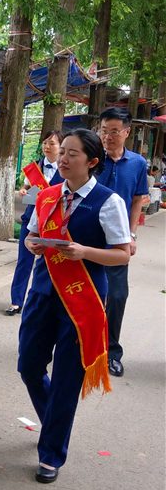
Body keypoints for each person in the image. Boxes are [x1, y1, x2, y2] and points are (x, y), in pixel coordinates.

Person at [18, 129, 130, 484]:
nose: (63, 159)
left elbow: (122, 254)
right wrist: (34, 244)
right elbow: (31, 234)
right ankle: (54, 422)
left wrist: (84, 252)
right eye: (62, 151)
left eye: (72, 154)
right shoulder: (47, 195)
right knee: (29, 366)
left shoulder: (108, 202)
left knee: (67, 379)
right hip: (42, 293)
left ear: (92, 161)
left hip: (82, 301)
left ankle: (51, 454)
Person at [93, 107, 148, 377]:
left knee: (116, 296)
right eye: (104, 130)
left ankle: (111, 352)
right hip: (88, 238)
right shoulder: (91, 158)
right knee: (86, 293)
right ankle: (78, 346)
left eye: (114, 131)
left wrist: (132, 234)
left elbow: (137, 199)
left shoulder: (137, 163)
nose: (108, 136)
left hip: (118, 242)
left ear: (127, 132)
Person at [6, 130, 64, 315]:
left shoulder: (66, 168)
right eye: (45, 142)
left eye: (52, 143)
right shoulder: (35, 168)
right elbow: (27, 189)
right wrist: (24, 191)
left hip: (55, 222)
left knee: (50, 262)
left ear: (61, 147)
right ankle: (16, 301)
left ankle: (47, 302)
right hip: (32, 218)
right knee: (24, 260)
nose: (47, 146)